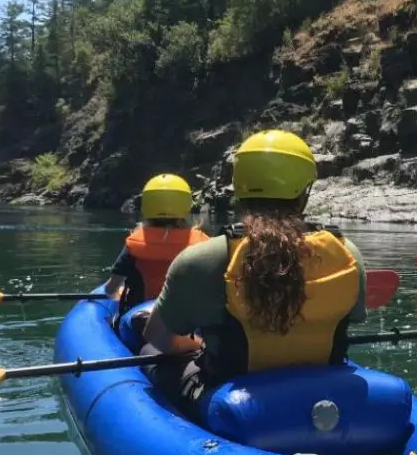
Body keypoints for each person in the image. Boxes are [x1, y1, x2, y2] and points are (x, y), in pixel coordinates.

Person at [140, 129, 369, 417]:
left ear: (238, 187)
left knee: (149, 352)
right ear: (305, 191)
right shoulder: (348, 254)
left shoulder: (202, 259)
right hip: (325, 400)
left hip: (238, 405)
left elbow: (160, 337)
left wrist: (197, 343)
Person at [103, 173, 210, 345]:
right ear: (185, 204)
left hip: (140, 319)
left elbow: (111, 288)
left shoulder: (135, 243)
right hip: (188, 323)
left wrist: (115, 294)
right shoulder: (203, 242)